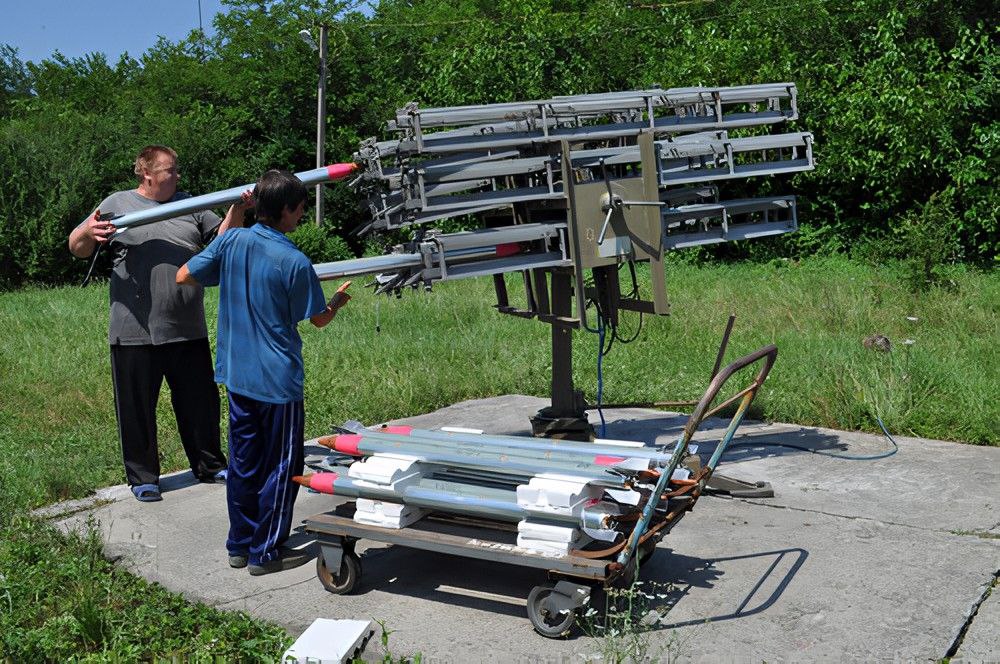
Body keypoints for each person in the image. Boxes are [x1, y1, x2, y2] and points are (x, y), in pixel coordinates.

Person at [177, 169, 349, 575]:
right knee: (282, 467)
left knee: (244, 462)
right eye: (300, 208)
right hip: (278, 383)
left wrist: (234, 218)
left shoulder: (231, 241)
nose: (302, 215)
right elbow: (318, 319)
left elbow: (184, 275)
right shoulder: (294, 261)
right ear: (285, 209)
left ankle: (240, 544)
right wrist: (336, 304)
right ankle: (265, 552)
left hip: (238, 376)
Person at [68, 145, 251, 502]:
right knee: (136, 409)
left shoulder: (192, 205)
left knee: (200, 405)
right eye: (170, 170)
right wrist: (89, 231)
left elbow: (224, 242)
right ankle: (143, 478)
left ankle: (210, 465)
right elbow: (77, 246)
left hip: (187, 327)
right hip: (133, 331)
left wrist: (238, 208)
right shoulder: (118, 203)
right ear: (147, 173)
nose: (177, 175)